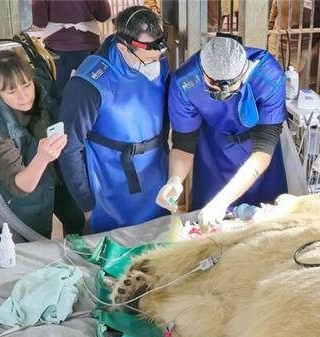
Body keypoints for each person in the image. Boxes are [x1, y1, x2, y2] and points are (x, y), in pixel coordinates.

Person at [58, 5, 169, 233]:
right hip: (111, 181)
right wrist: (86, 203)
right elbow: (69, 147)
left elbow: (163, 115)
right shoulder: (90, 83)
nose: (152, 66)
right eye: (146, 60)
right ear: (122, 47)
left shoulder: (158, 62)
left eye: (156, 58)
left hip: (154, 174)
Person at [157, 34, 287, 228]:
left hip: (258, 154)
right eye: (213, 86)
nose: (223, 92)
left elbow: (264, 147)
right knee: (207, 224)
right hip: (212, 149)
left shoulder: (268, 75)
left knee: (266, 222)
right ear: (202, 72)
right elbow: (184, 143)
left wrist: (222, 200)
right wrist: (175, 180)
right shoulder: (186, 82)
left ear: (244, 71)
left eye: (231, 86)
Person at [0, 50, 84, 238]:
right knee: (33, 244)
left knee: (81, 224)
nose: (24, 97)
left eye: (26, 85)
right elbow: (20, 186)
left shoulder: (45, 87)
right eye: (11, 91)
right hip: (28, 195)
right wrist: (41, 159)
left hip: (61, 178)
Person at [32, 0, 112, 100]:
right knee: (92, 90)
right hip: (89, 46)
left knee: (57, 94)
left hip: (57, 48)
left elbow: (39, 21)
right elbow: (104, 15)